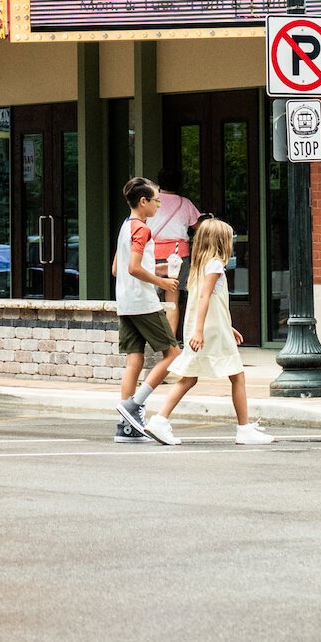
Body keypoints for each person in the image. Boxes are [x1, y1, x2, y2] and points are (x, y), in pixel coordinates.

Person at [148, 215, 274, 447]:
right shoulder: (215, 264)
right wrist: (200, 331)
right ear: (220, 241)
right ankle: (243, 429)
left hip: (210, 328)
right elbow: (205, 297)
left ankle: (160, 419)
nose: (232, 243)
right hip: (208, 331)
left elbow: (209, 301)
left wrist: (228, 326)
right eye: (229, 239)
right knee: (236, 376)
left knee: (190, 378)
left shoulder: (199, 266)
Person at [113, 176, 183, 444]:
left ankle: (126, 427)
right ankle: (135, 405)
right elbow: (133, 268)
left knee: (135, 360)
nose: (158, 205)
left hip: (126, 302)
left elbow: (118, 269)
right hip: (144, 302)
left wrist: (162, 268)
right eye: (156, 200)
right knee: (173, 352)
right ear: (143, 202)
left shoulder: (124, 227)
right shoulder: (142, 229)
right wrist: (162, 281)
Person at [148, 173, 203, 338]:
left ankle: (154, 339)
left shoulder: (151, 201)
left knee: (152, 298)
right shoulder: (184, 203)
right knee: (172, 300)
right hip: (178, 255)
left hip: (153, 252)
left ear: (159, 184)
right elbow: (198, 226)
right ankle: (170, 342)